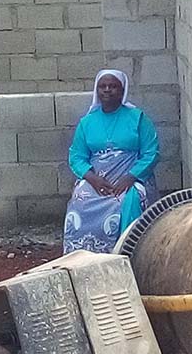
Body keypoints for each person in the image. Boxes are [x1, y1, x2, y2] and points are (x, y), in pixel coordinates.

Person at [63, 69, 159, 254]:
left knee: (130, 199)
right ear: (97, 90)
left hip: (131, 179)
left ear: (122, 91)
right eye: (103, 86)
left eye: (113, 86)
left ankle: (126, 254)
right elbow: (76, 156)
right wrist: (92, 179)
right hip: (97, 180)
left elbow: (151, 152)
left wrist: (131, 177)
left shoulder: (138, 119)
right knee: (80, 200)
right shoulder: (87, 122)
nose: (107, 90)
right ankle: (83, 255)